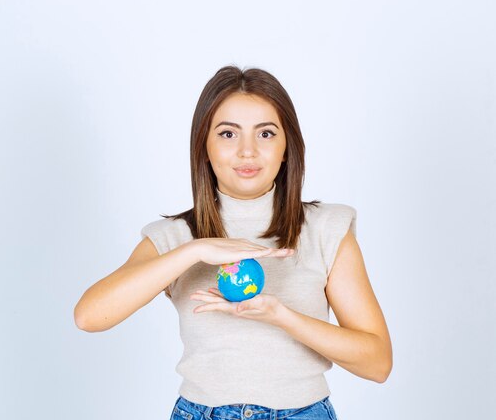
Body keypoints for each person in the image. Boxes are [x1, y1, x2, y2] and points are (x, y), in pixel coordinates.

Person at [74, 65, 393, 419]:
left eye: (266, 134)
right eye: (228, 134)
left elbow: (377, 363)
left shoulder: (325, 228)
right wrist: (195, 250)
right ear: (204, 147)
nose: (247, 152)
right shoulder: (175, 237)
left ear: (287, 148)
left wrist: (282, 317)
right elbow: (89, 316)